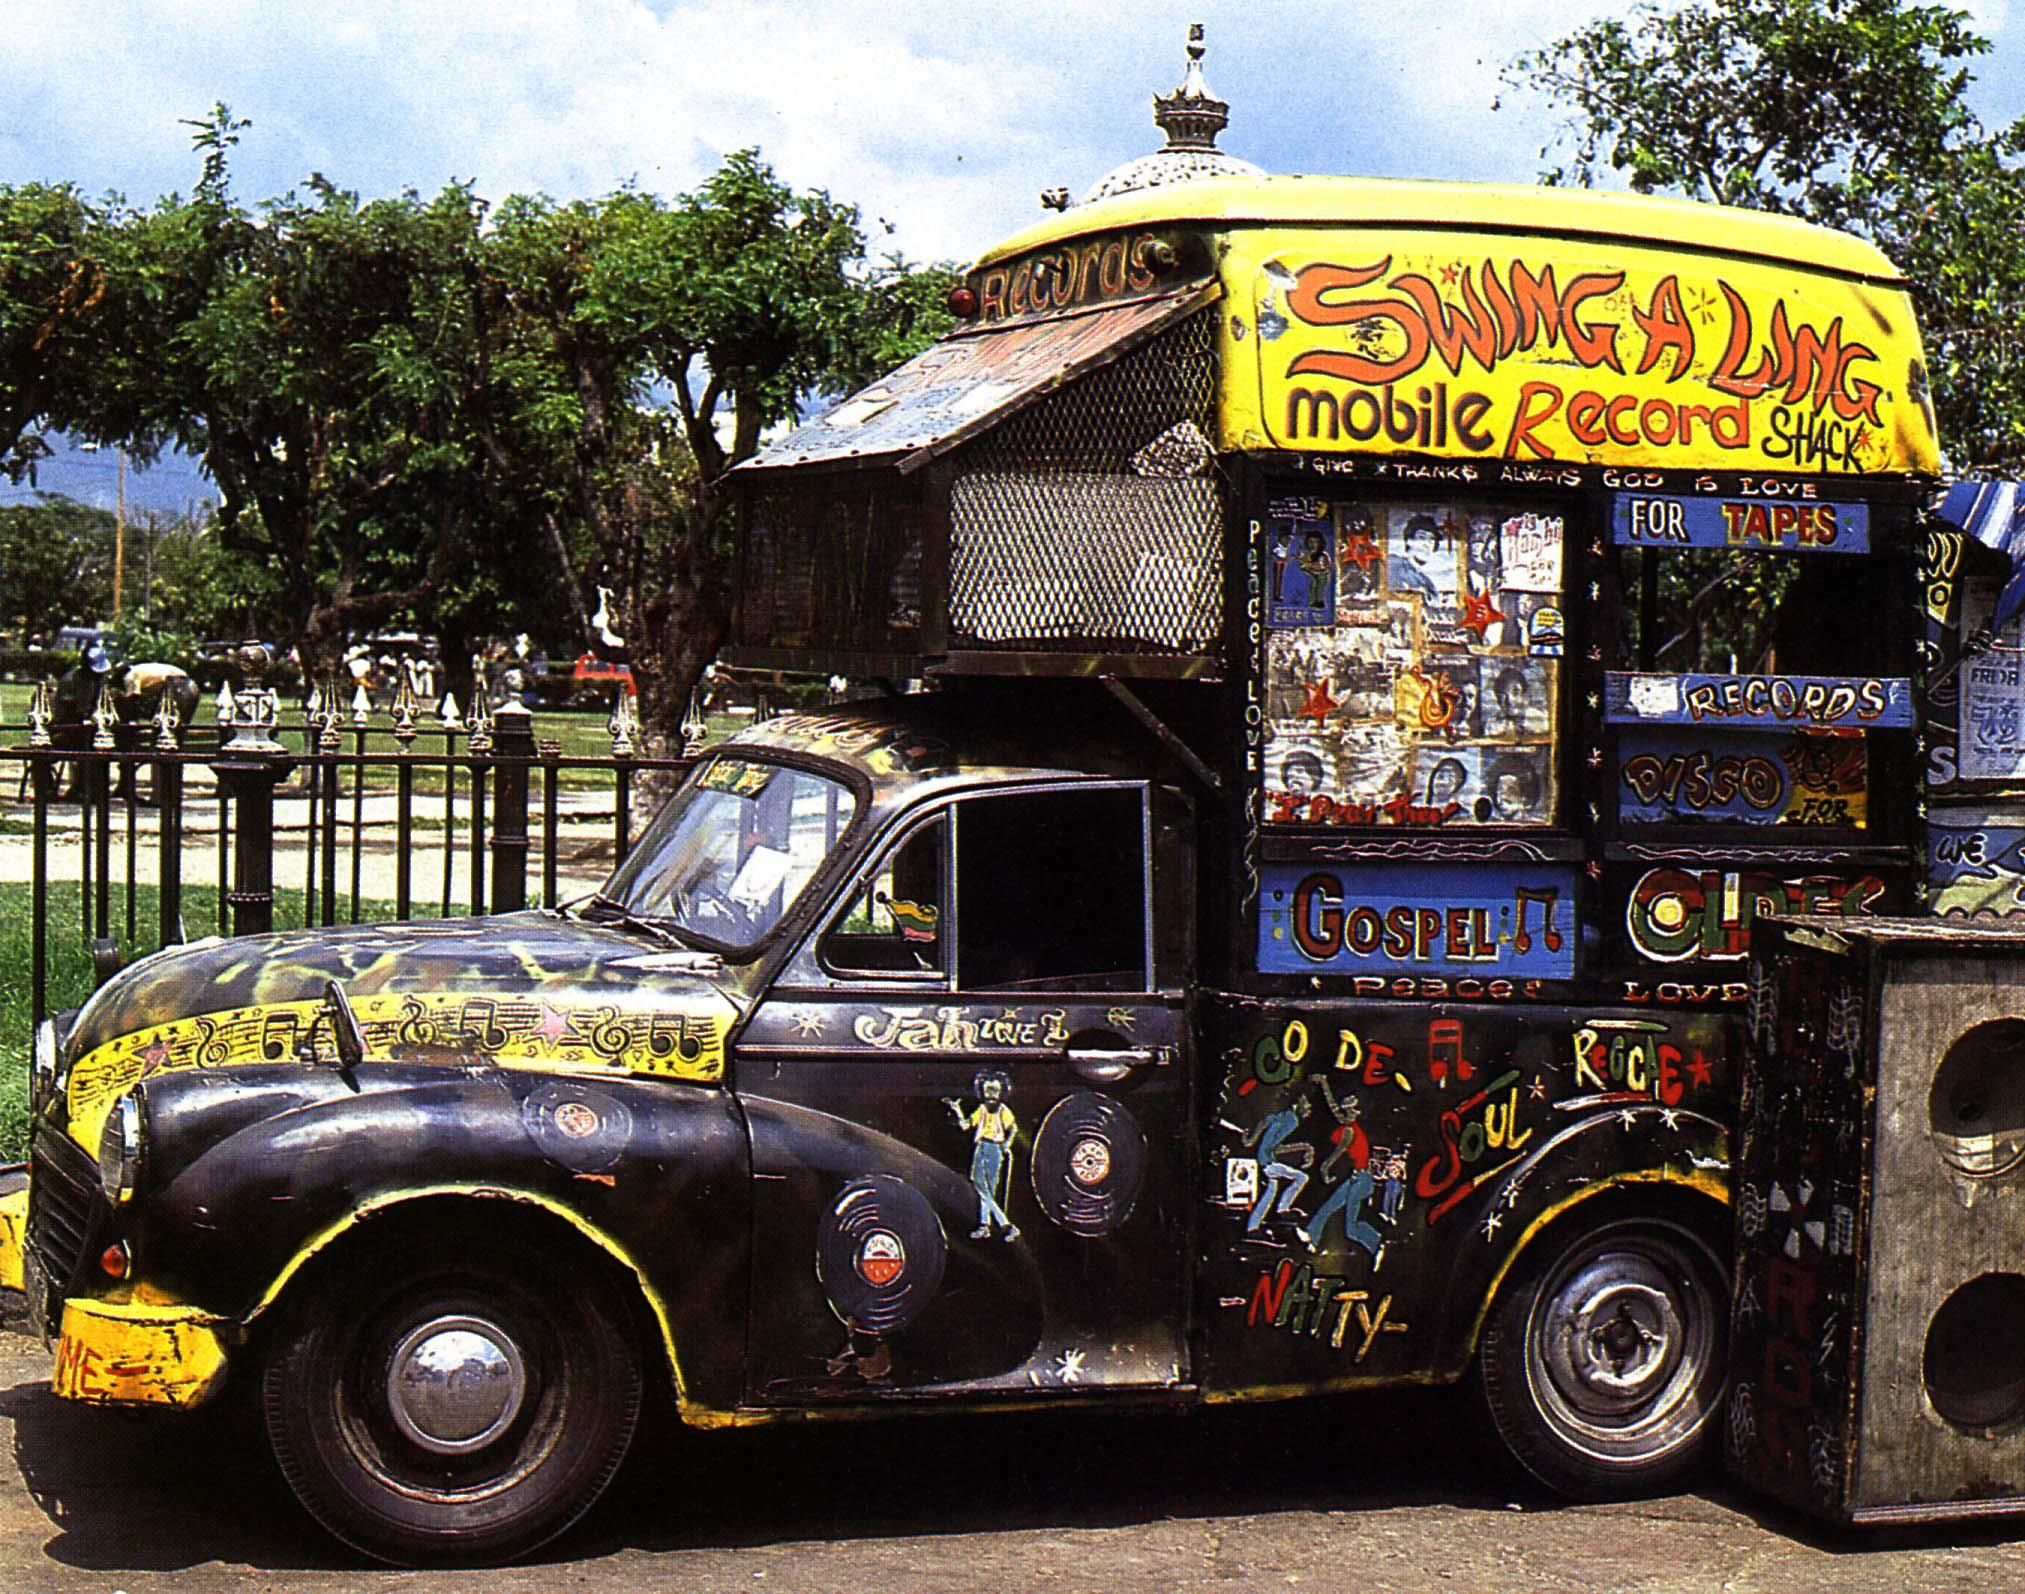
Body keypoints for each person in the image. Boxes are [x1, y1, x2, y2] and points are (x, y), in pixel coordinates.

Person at [946, 1070, 1020, 1240]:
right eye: (988, 1090)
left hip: (995, 1149)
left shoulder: (1003, 1111)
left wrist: (1007, 1143)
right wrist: (957, 1110)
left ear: (1001, 1092)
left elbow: (1013, 1128)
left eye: (995, 1090)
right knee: (981, 1187)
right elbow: (966, 1125)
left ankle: (994, 1225)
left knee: (987, 1190)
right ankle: (997, 1226)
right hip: (981, 1146)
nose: (991, 1094)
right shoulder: (981, 1109)